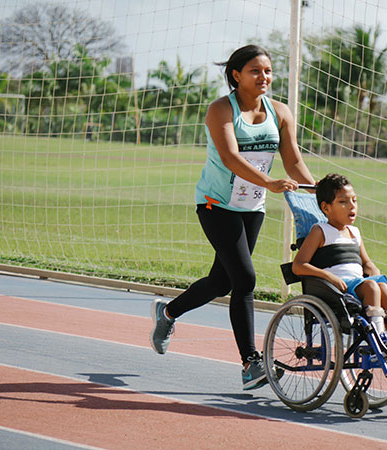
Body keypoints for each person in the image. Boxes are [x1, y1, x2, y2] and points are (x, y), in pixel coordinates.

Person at [149, 45, 315, 390]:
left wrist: (321, 196)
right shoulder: (220, 110)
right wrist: (269, 181)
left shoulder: (280, 112)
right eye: (255, 71)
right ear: (236, 75)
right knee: (244, 279)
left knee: (221, 282)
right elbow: (229, 156)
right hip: (216, 205)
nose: (264, 77)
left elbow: (294, 161)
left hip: (251, 208)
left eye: (268, 71)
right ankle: (251, 363)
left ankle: (168, 313)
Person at [291, 173, 387, 357]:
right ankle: (379, 339)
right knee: (371, 286)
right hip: (336, 289)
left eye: (354, 200)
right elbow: (298, 265)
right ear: (325, 207)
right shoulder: (320, 231)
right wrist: (328, 276)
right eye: (343, 202)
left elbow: (367, 262)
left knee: (383, 287)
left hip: (358, 284)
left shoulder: (355, 232)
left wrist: (374, 273)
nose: (352, 206)